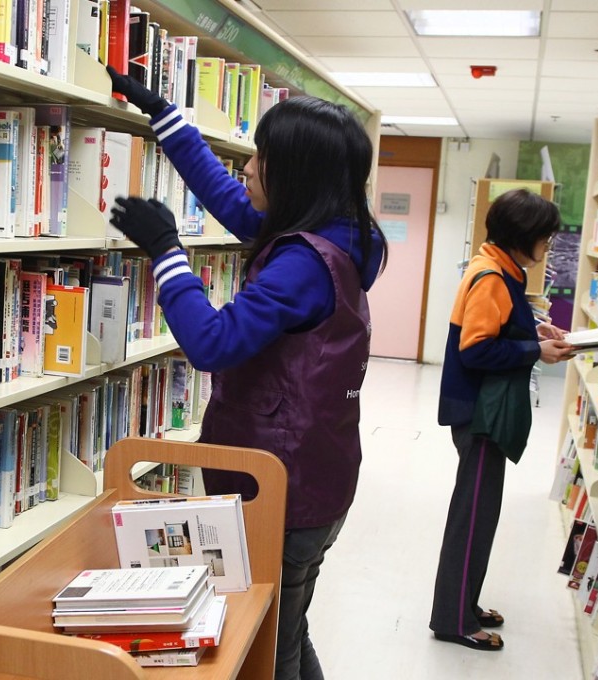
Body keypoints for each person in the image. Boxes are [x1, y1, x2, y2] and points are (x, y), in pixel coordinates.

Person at [106, 67, 387, 680]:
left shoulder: (302, 265)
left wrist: (167, 254)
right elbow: (228, 196)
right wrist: (164, 115)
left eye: (263, 157)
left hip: (283, 493)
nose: (249, 167)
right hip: (318, 478)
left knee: (267, 649)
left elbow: (213, 342)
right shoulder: (334, 237)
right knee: (289, 629)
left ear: (297, 177)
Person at [430, 188, 572, 651]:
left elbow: (497, 324)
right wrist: (535, 350)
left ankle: (464, 604)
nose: (547, 249)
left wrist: (535, 329)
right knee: (473, 517)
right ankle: (454, 620)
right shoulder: (493, 275)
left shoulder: (498, 267)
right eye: (545, 240)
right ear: (522, 237)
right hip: (480, 414)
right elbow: (476, 348)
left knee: (480, 513)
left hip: (482, 409)